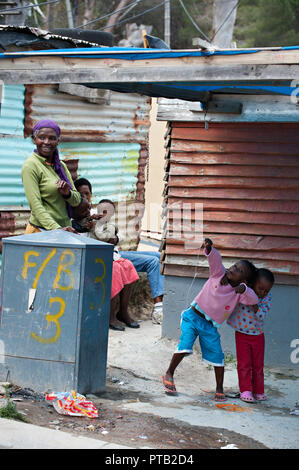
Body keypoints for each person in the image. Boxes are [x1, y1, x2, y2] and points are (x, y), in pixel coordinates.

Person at [161, 238, 259, 402]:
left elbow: (254, 299)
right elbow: (216, 260)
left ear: (243, 281)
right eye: (234, 266)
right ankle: (169, 373)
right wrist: (210, 248)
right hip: (192, 317)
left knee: (217, 356)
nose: (233, 269)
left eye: (239, 270)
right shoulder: (218, 273)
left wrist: (245, 289)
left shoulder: (239, 293)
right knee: (185, 346)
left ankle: (219, 388)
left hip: (210, 326)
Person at [74, 177, 164, 324]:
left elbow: (119, 234)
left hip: (115, 252)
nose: (85, 198)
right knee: (152, 262)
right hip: (108, 256)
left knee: (158, 256)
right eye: (81, 194)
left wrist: (115, 239)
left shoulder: (99, 215)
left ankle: (163, 300)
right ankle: (159, 307)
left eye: (88, 194)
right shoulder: (84, 216)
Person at [71, 197, 140, 332]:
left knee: (128, 266)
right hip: (93, 261)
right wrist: (91, 226)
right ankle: (110, 315)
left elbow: (117, 236)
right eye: (84, 209)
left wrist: (115, 238)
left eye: (88, 208)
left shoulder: (106, 224)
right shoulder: (76, 225)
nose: (88, 211)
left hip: (110, 256)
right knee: (114, 270)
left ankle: (123, 311)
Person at [21, 120, 81, 233]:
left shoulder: (61, 166)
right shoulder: (31, 166)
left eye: (52, 138)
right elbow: (36, 207)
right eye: (42, 137)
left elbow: (76, 201)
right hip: (41, 232)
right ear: (34, 140)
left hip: (63, 231)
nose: (46, 142)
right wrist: (57, 229)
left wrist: (68, 194)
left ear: (58, 141)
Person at [227, 268, 274, 403]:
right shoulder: (246, 291)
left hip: (258, 335)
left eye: (266, 291)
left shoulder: (266, 299)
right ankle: (246, 390)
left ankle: (259, 390)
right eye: (260, 289)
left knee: (258, 365)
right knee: (244, 364)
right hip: (242, 334)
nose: (263, 293)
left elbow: (262, 315)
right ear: (253, 284)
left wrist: (256, 306)